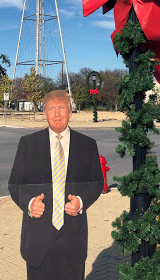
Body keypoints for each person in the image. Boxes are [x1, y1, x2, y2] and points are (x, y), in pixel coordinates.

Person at [8, 89, 103, 280]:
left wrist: (81, 201)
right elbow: (15, 184)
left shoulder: (87, 144)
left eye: (62, 108)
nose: (57, 113)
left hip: (72, 238)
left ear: (70, 112)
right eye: (51, 108)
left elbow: (96, 182)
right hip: (38, 239)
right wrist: (29, 203)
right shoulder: (28, 144)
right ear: (44, 113)